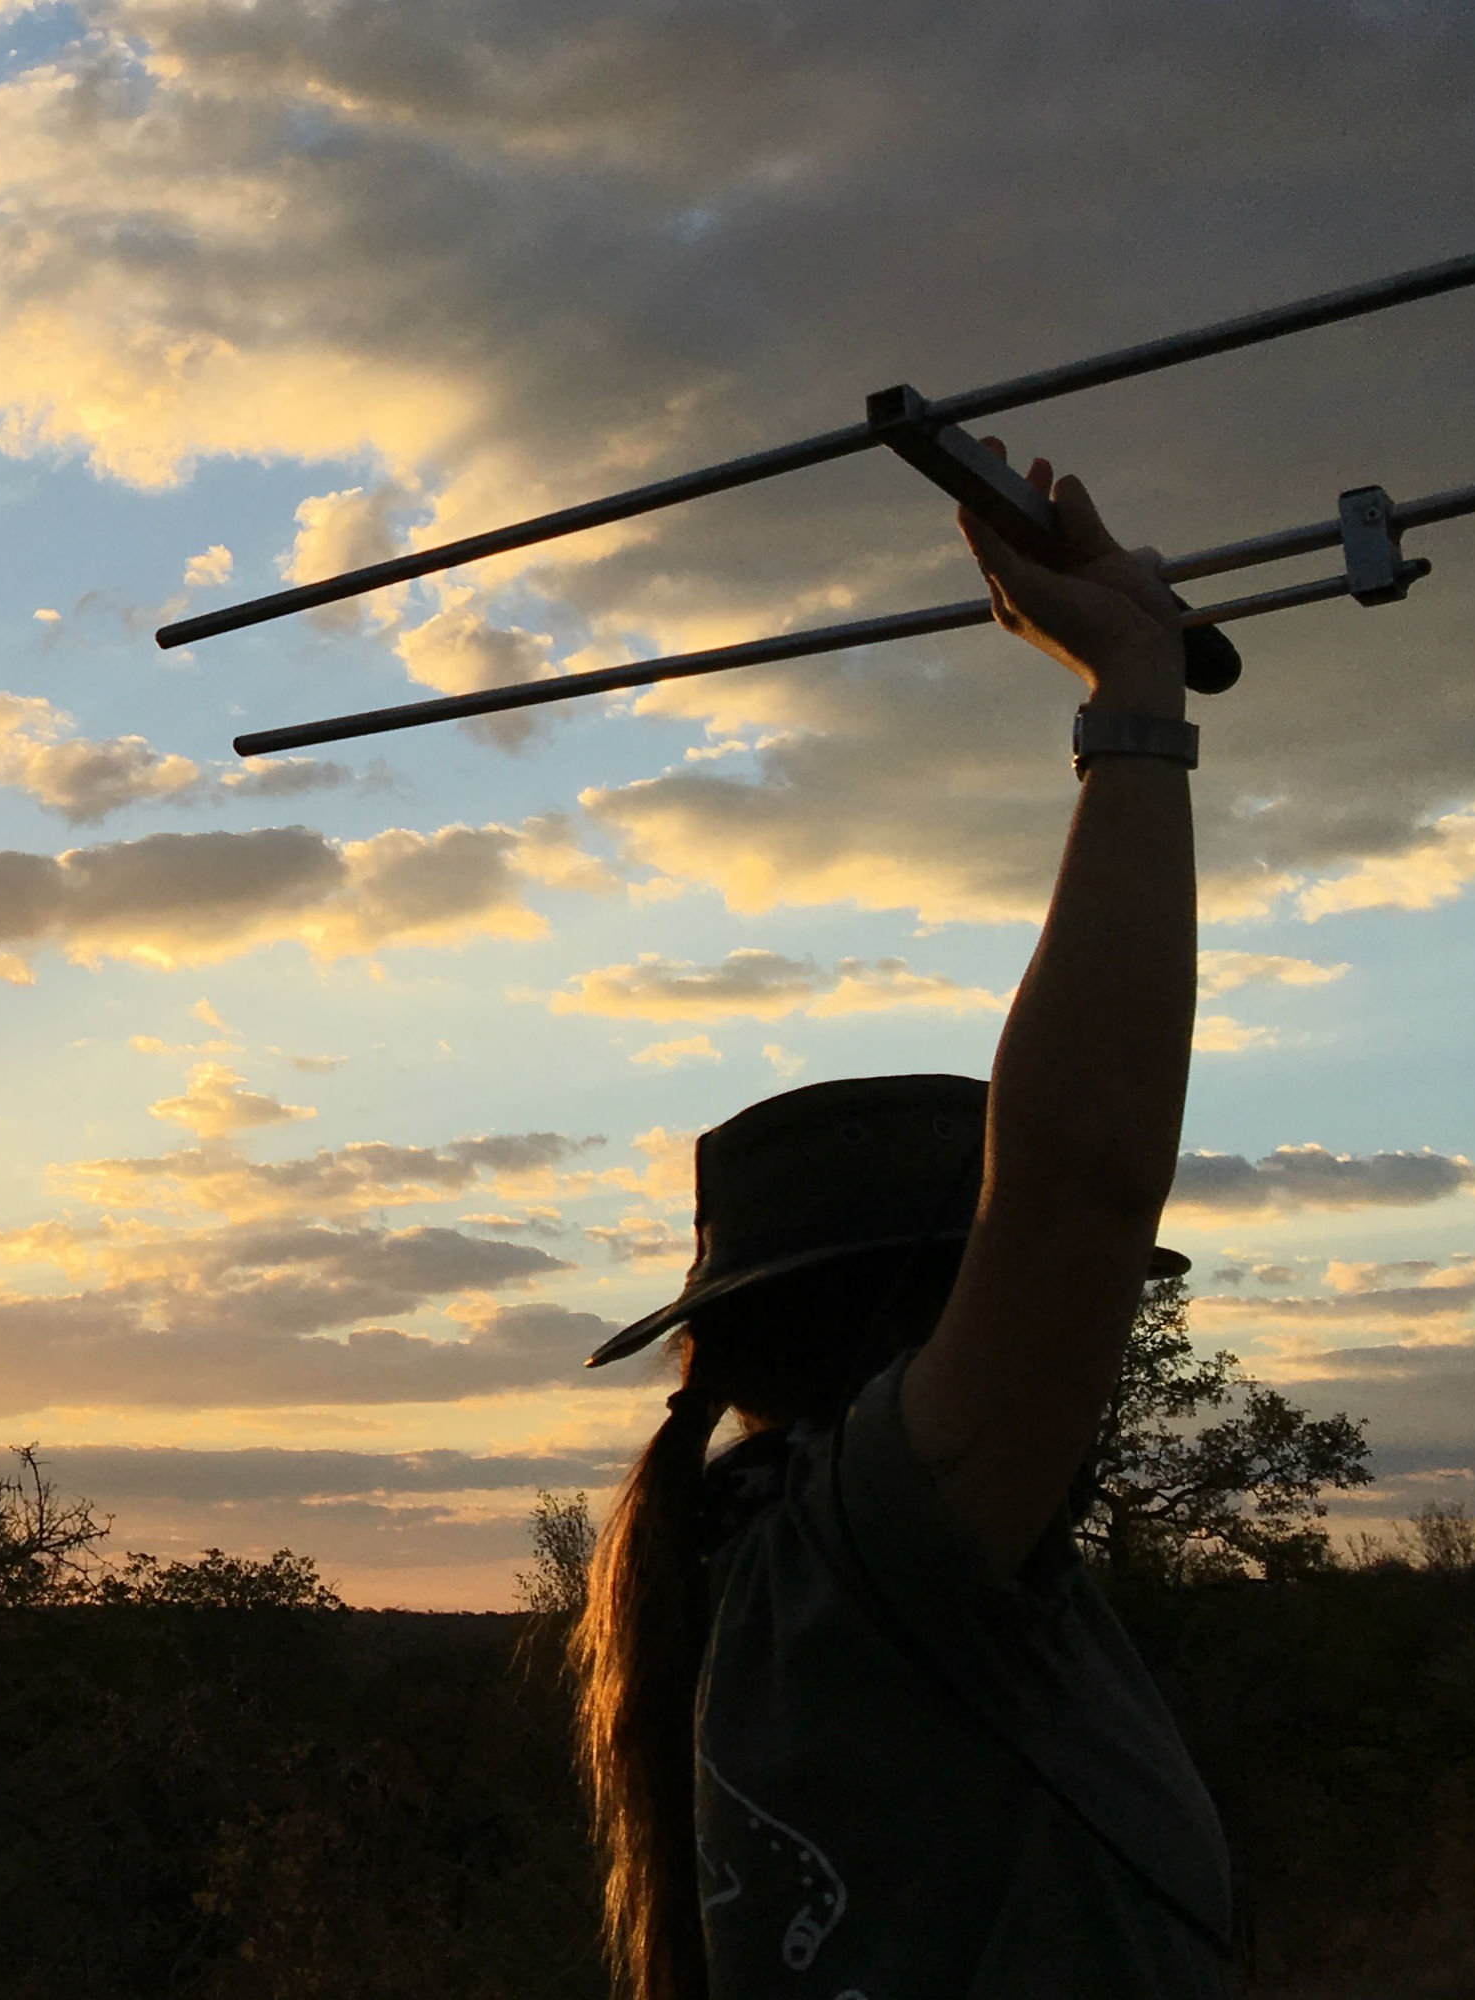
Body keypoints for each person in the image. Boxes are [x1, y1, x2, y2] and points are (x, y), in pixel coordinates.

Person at [570, 449, 1228, 1998]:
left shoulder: (798, 1578)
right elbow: (1077, 1174)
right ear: (922, 1319)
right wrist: (1133, 700)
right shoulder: (877, 1548)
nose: (1100, 1342)